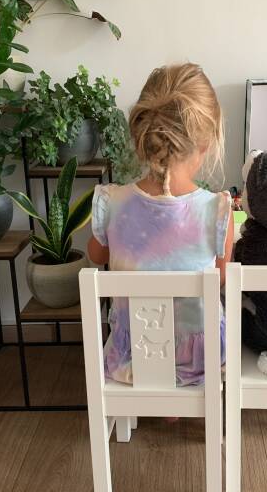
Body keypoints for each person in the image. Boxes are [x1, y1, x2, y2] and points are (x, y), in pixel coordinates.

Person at [88, 63, 233, 386]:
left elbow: (96, 256)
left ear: (143, 137)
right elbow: (220, 279)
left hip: (133, 357)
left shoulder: (112, 203)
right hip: (201, 360)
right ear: (205, 144)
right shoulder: (218, 210)